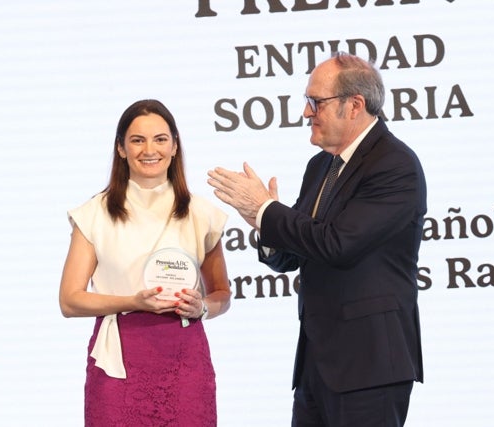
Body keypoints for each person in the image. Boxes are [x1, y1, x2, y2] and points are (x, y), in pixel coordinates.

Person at [207, 52, 426, 427]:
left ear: (354, 105)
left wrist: (265, 211)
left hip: (369, 367)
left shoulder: (395, 164)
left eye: (316, 102)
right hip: (316, 365)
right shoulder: (321, 165)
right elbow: (293, 255)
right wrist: (262, 223)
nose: (307, 112)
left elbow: (338, 245)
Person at [59, 99, 231, 426]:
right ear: (121, 149)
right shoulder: (94, 214)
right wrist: (132, 302)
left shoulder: (201, 213)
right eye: (137, 140)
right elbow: (69, 300)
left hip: (185, 361)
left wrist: (203, 307)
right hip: (118, 362)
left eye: (160, 139)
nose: (149, 150)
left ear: (175, 146)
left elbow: (222, 293)